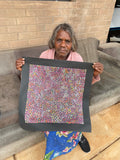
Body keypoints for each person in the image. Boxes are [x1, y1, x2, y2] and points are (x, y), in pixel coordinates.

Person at [16, 23, 104, 160]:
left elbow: (80, 86)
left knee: (75, 117)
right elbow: (37, 81)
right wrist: (24, 70)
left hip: (69, 99)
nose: (63, 45)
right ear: (54, 41)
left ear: (72, 43)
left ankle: (78, 137)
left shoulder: (77, 58)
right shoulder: (45, 55)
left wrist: (93, 74)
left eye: (67, 41)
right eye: (59, 40)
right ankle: (53, 149)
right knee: (50, 125)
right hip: (49, 98)